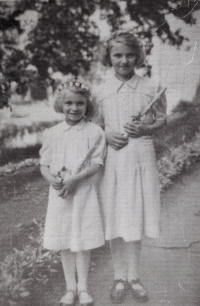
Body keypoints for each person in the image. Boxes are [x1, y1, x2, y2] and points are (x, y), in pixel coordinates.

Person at [94, 31, 167, 304]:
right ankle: (118, 276)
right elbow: (92, 125)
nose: (124, 60)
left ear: (138, 56)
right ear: (109, 57)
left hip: (140, 158)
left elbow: (162, 119)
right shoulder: (100, 90)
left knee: (135, 215)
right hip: (113, 160)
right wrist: (105, 135)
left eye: (129, 55)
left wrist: (146, 127)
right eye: (117, 55)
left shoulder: (151, 87)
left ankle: (134, 277)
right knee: (114, 215)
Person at [39, 80, 106, 306]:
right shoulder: (52, 133)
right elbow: (44, 165)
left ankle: (83, 288)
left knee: (82, 240)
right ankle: (70, 288)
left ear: (88, 105)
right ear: (61, 104)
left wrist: (75, 179)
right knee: (65, 241)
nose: (74, 108)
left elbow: (97, 164)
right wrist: (53, 180)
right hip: (61, 195)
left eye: (80, 103)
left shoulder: (95, 131)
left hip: (83, 191)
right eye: (69, 103)